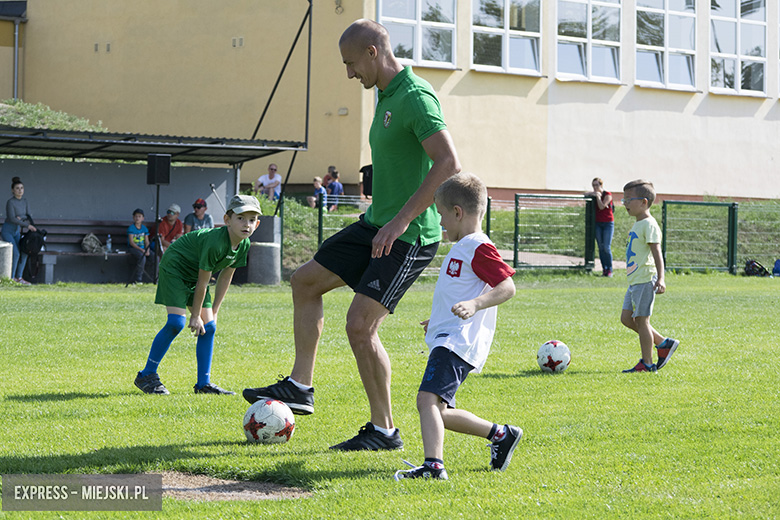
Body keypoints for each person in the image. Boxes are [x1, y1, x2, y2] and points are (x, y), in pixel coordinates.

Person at [243, 18, 462, 452]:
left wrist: (399, 222)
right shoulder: (384, 94)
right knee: (305, 281)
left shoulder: (416, 98)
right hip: (375, 226)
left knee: (360, 327)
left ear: (373, 53)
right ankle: (301, 387)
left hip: (409, 235)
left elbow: (448, 162)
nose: (348, 74)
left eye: (350, 64)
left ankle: (384, 432)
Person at [394, 173, 520, 481]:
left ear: (458, 212)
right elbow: (458, 292)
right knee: (439, 410)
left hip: (456, 341)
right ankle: (501, 435)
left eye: (441, 215)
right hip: (448, 335)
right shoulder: (465, 247)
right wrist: (436, 321)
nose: (440, 224)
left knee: (426, 401)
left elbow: (507, 286)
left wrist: (476, 304)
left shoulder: (478, 246)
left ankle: (433, 466)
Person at [134, 195, 261, 395]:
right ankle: (146, 375)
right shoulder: (215, 242)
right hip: (175, 268)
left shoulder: (244, 244)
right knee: (176, 323)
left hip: (196, 276)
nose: (247, 224)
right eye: (241, 218)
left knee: (209, 327)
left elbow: (226, 277)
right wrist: (194, 316)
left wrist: (215, 311)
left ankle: (203, 384)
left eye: (252, 220)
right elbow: (203, 281)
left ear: (257, 223)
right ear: (227, 220)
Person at [620, 179, 680, 373]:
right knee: (626, 318)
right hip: (634, 281)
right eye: (624, 199)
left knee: (642, 320)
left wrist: (661, 278)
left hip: (645, 279)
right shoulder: (638, 224)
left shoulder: (649, 224)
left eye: (629, 199)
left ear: (644, 202)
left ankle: (646, 363)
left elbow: (657, 254)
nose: (625, 203)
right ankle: (663, 343)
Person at [2, 177, 36, 285]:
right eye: (17, 188)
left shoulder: (25, 201)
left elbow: (28, 216)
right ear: (13, 190)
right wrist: (25, 224)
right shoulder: (10, 202)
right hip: (8, 231)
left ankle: (19, 277)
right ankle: (11, 278)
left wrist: (20, 219)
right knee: (15, 253)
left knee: (24, 252)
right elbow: (11, 218)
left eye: (22, 188)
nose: (20, 190)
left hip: (17, 232)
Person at [585, 177, 615, 277]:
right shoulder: (594, 193)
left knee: (606, 247)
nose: (595, 187)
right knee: (601, 247)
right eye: (593, 185)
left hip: (607, 223)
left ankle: (610, 269)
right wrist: (592, 193)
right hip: (597, 223)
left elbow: (602, 206)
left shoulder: (607, 195)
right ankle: (604, 269)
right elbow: (584, 194)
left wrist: (598, 197)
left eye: (597, 185)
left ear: (601, 185)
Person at [127, 208, 151, 285]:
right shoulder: (131, 228)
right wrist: (141, 250)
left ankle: (154, 278)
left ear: (142, 218)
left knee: (156, 257)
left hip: (143, 249)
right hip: (134, 248)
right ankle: (138, 279)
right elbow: (131, 242)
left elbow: (146, 241)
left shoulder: (144, 229)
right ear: (133, 217)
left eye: (139, 216)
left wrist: (147, 250)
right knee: (142, 257)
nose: (137, 218)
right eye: (136, 216)